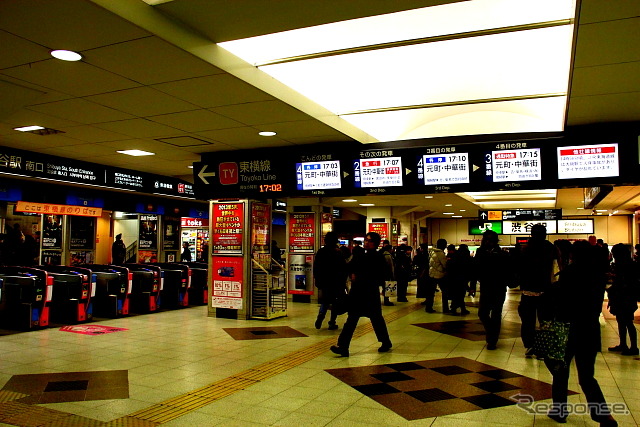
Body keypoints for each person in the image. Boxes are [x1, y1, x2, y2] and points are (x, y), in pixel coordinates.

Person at [544, 241, 617, 426]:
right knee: (587, 376)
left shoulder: (568, 274)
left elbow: (558, 302)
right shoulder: (598, 275)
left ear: (572, 256)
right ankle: (603, 415)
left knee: (561, 371)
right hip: (590, 329)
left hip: (568, 330)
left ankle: (559, 410)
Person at [330, 232, 392, 357]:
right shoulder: (360, 255)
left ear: (375, 243)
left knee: (376, 319)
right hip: (358, 293)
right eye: (366, 240)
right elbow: (348, 267)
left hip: (370, 293)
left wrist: (359, 275)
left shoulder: (378, 257)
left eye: (369, 241)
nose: (366, 242)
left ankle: (386, 341)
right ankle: (343, 346)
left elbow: (381, 275)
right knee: (351, 320)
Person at [518, 224, 560, 358]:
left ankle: (530, 345)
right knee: (545, 320)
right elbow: (555, 270)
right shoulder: (551, 248)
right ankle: (543, 346)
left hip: (528, 290)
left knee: (528, 321)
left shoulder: (525, 249)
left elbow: (519, 270)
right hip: (546, 290)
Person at [474, 230, 509, 350]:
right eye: (486, 239)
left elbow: (507, 271)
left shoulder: (502, 254)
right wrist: (473, 286)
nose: (488, 242)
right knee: (482, 313)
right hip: (485, 287)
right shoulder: (480, 252)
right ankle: (491, 331)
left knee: (496, 314)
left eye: (490, 240)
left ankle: (492, 340)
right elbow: (476, 269)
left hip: (499, 288)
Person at [607, 244, 639, 355]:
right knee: (622, 321)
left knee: (626, 321)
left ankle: (633, 346)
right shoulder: (630, 265)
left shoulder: (625, 266)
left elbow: (624, 282)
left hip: (625, 296)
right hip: (627, 296)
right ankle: (624, 344)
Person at [313, 232, 348, 330]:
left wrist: (318, 280)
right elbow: (343, 268)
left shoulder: (321, 252)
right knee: (335, 302)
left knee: (325, 300)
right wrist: (343, 281)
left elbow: (316, 267)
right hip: (337, 281)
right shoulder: (338, 252)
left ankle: (321, 315)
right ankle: (332, 322)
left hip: (325, 281)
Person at [447, 244, 472, 315]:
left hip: (454, 277)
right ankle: (458, 308)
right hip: (462, 277)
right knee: (460, 294)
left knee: (456, 294)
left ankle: (456, 308)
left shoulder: (455, 256)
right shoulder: (466, 256)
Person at [426, 239, 448, 313]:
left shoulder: (432, 252)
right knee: (445, 291)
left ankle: (428, 307)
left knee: (430, 292)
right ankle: (445, 308)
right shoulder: (441, 254)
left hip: (431, 274)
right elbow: (445, 265)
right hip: (440, 275)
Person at [381, 240, 395, 306]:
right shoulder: (388, 256)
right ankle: (386, 300)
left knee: (384, 287)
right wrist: (392, 275)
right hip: (387, 274)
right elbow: (391, 266)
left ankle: (386, 300)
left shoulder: (382, 254)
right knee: (387, 287)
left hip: (382, 274)